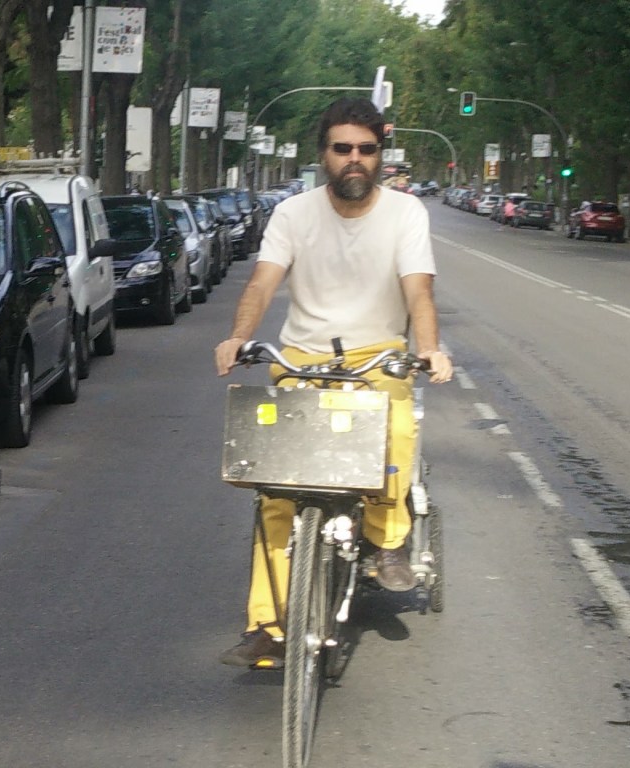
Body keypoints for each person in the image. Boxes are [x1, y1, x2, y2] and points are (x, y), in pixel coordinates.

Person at [211, 97, 454, 669]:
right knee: (274, 493)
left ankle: (389, 542)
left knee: (394, 427)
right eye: (343, 148)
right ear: (324, 154)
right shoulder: (294, 214)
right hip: (303, 362)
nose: (354, 160)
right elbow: (262, 284)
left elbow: (418, 290)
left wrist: (429, 350)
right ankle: (268, 628)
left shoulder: (405, 214)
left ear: (379, 157)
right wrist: (237, 336)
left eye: (366, 150)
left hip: (377, 359)